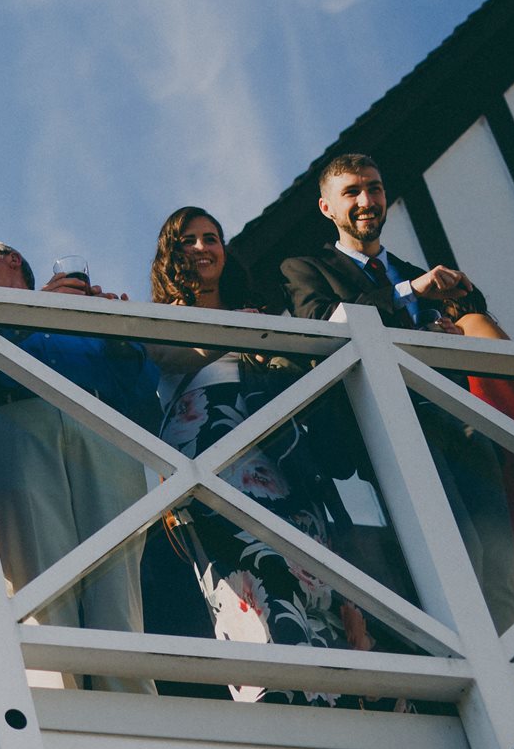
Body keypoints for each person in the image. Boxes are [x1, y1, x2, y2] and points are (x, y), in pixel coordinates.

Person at [152, 205, 387, 705]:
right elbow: (165, 356)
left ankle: (340, 699)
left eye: (211, 238)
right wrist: (235, 333)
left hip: (281, 456)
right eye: (188, 240)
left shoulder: (258, 313)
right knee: (252, 580)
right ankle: (280, 699)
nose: (202, 248)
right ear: (171, 254)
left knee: (314, 572)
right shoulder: (162, 318)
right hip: (210, 463)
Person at [280, 153, 514, 632]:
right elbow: (327, 322)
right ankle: (467, 664)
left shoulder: (417, 271)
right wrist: (410, 292)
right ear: (327, 207)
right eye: (352, 191)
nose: (367, 200)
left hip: (463, 424)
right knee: (454, 556)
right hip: (392, 428)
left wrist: (448, 334)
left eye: (374, 188)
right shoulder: (304, 268)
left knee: (500, 570)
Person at [0, 238, 158, 694]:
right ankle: (52, 704)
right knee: (36, 578)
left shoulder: (82, 311)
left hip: (102, 425)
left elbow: (142, 388)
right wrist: (33, 311)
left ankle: (129, 709)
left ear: (11, 259)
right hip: (15, 421)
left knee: (116, 584)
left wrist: (118, 335)